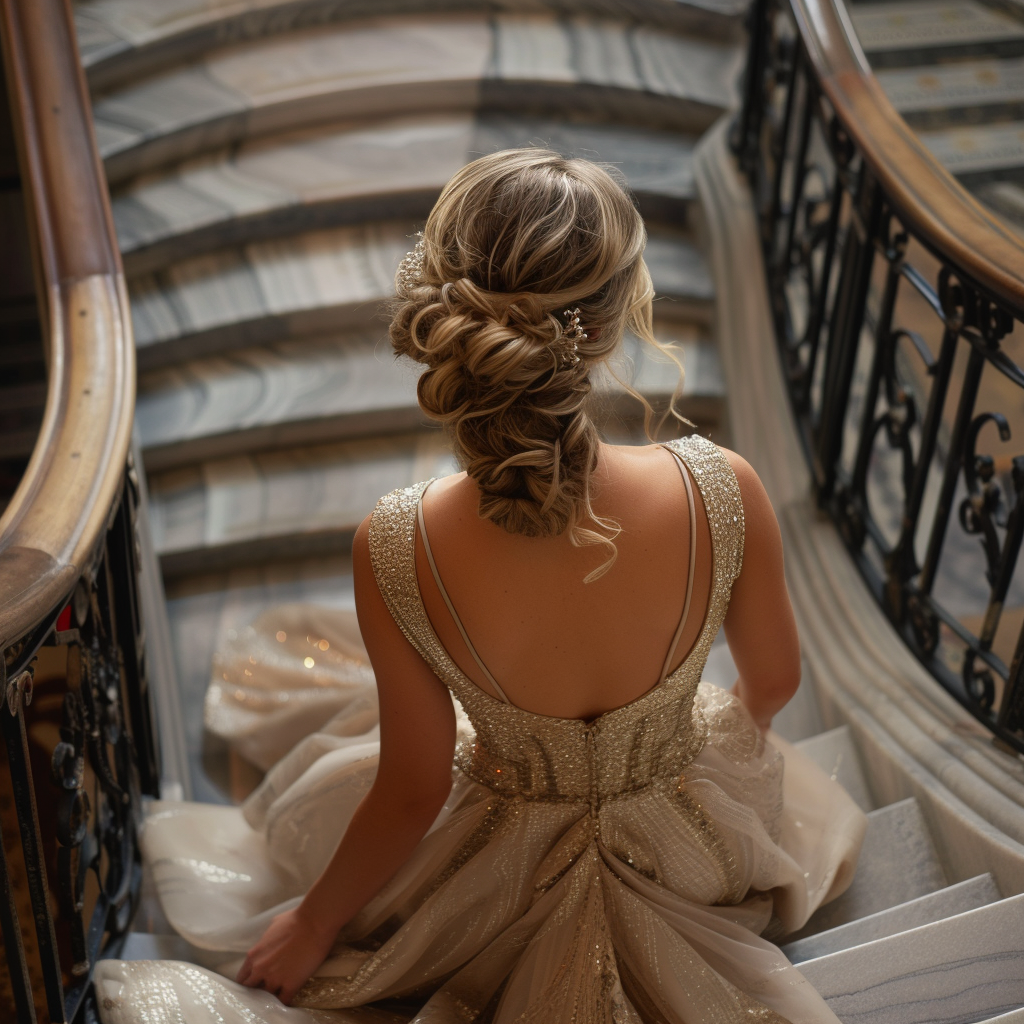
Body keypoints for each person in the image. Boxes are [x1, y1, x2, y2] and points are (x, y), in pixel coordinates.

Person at [95, 149, 866, 1024]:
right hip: (688, 847)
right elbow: (774, 685)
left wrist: (314, 924)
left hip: (496, 869)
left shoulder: (397, 543)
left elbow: (413, 789)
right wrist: (690, 748)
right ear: (617, 319)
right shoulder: (723, 486)